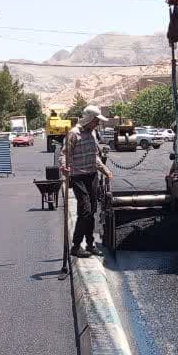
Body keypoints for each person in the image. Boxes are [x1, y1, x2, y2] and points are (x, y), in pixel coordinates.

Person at [59, 106, 113, 258]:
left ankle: (90, 244)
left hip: (92, 176)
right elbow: (64, 155)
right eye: (96, 120)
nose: (97, 123)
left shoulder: (93, 134)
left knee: (92, 211)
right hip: (77, 177)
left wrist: (105, 170)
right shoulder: (73, 134)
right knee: (85, 210)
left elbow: (94, 156)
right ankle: (76, 246)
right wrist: (64, 167)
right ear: (89, 119)